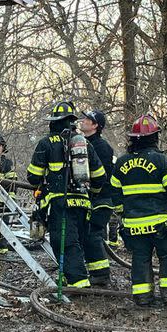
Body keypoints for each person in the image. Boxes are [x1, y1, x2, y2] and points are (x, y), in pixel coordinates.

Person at [27, 101, 106, 288]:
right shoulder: (84, 143)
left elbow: (33, 176)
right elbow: (100, 177)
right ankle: (76, 279)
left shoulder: (46, 143)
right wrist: (92, 195)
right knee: (78, 240)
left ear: (53, 121)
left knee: (65, 243)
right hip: (82, 203)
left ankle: (79, 284)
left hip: (59, 204)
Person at [110, 115, 167, 306]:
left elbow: (115, 193)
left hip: (134, 224)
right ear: (155, 137)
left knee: (140, 258)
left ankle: (142, 296)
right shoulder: (161, 161)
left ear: (133, 138)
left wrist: (123, 213)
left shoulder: (122, 163)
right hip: (161, 223)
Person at [79, 110, 115, 286]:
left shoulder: (101, 147)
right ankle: (94, 271)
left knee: (93, 234)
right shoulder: (83, 143)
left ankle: (101, 274)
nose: (83, 121)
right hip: (90, 198)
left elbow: (101, 175)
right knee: (87, 234)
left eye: (88, 119)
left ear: (95, 126)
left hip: (101, 199)